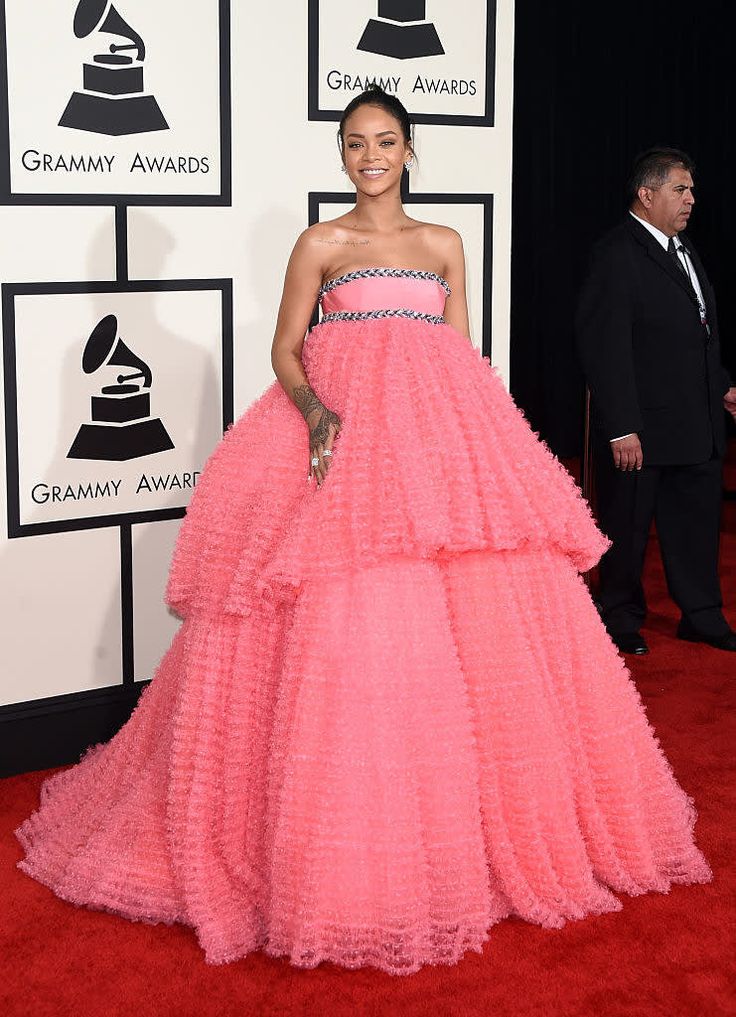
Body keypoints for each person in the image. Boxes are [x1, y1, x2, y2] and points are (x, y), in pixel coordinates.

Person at [15, 91, 711, 976]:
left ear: (410, 150)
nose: (369, 155)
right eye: (355, 143)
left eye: (385, 142)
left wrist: (473, 445)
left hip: (429, 442)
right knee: (337, 620)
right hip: (339, 438)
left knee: (471, 623)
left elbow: (459, 355)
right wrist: (312, 412)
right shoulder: (321, 245)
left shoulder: (444, 244)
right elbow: (285, 349)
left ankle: (476, 838)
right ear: (341, 154)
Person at [576, 148, 736, 657]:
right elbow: (605, 348)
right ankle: (620, 615)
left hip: (697, 420)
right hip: (641, 430)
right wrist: (622, 426)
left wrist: (724, 385)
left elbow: (699, 333)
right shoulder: (615, 254)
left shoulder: (684, 249)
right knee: (627, 525)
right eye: (679, 190)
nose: (691, 199)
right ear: (647, 195)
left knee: (695, 524)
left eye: (691, 190)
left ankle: (702, 615)